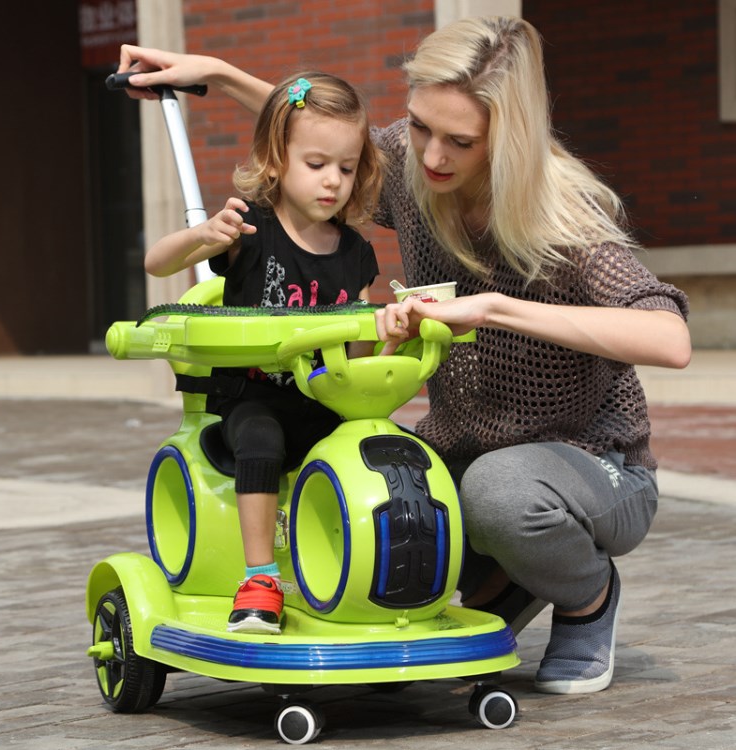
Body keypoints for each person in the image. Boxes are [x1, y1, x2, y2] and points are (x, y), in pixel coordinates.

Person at [118, 15, 691, 693]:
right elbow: (322, 140)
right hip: (465, 455)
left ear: (508, 140)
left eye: (460, 141)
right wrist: (215, 74)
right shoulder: (420, 177)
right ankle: (512, 575)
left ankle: (588, 598)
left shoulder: (561, 215)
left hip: (595, 467)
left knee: (496, 496)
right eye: (418, 127)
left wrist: (490, 308)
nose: (431, 155)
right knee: (391, 570)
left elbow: (670, 339)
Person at [144, 71, 384, 634]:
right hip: (252, 399)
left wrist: (388, 329)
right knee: (261, 438)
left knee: (376, 444)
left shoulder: (356, 254)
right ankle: (261, 579)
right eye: (317, 164)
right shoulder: (250, 228)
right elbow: (156, 263)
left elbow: (363, 345)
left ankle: (369, 572)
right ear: (276, 159)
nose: (333, 182)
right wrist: (205, 236)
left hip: (323, 398)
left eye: (346, 169)